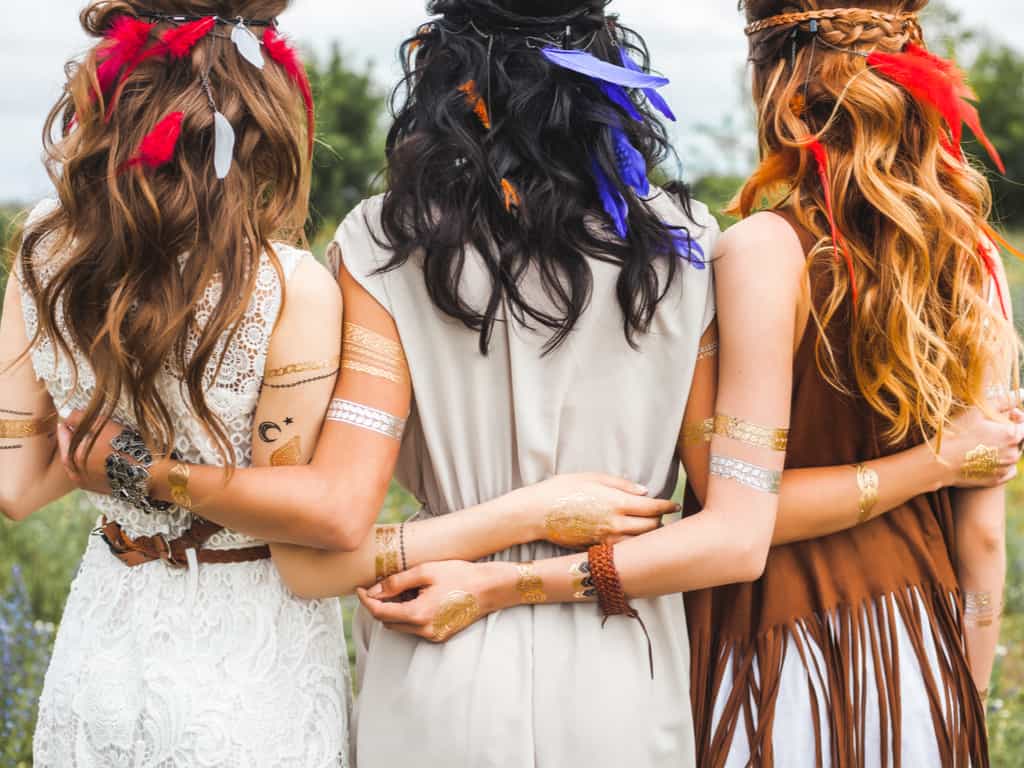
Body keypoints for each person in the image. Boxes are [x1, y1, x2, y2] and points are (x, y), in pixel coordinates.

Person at [47, 1, 1022, 767]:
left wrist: (158, 473)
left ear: (439, 81)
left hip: (428, 679)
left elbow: (316, 557)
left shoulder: (380, 247)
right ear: (606, 81)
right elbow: (732, 529)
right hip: (626, 681)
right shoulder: (688, 248)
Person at [0, 2, 356, 764]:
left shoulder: (43, 245)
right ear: (261, 121)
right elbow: (299, 512)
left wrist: (113, 455)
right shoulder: (289, 286)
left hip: (103, 640)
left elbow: (17, 485)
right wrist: (145, 464)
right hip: (251, 668)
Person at [681, 2, 1021, 765]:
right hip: (917, 652)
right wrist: (956, 699)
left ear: (776, 89)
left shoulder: (763, 253)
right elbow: (985, 533)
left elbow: (740, 510)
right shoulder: (974, 259)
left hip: (772, 659)